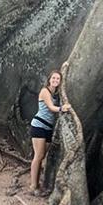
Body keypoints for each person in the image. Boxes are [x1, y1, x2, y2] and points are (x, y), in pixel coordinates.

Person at [29, 64, 71, 195]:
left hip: (48, 128)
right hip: (39, 126)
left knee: (42, 156)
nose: (55, 81)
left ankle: (38, 184)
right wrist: (61, 108)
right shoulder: (45, 91)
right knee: (38, 156)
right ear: (49, 79)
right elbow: (51, 107)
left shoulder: (56, 93)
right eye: (53, 78)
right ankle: (33, 187)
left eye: (58, 79)